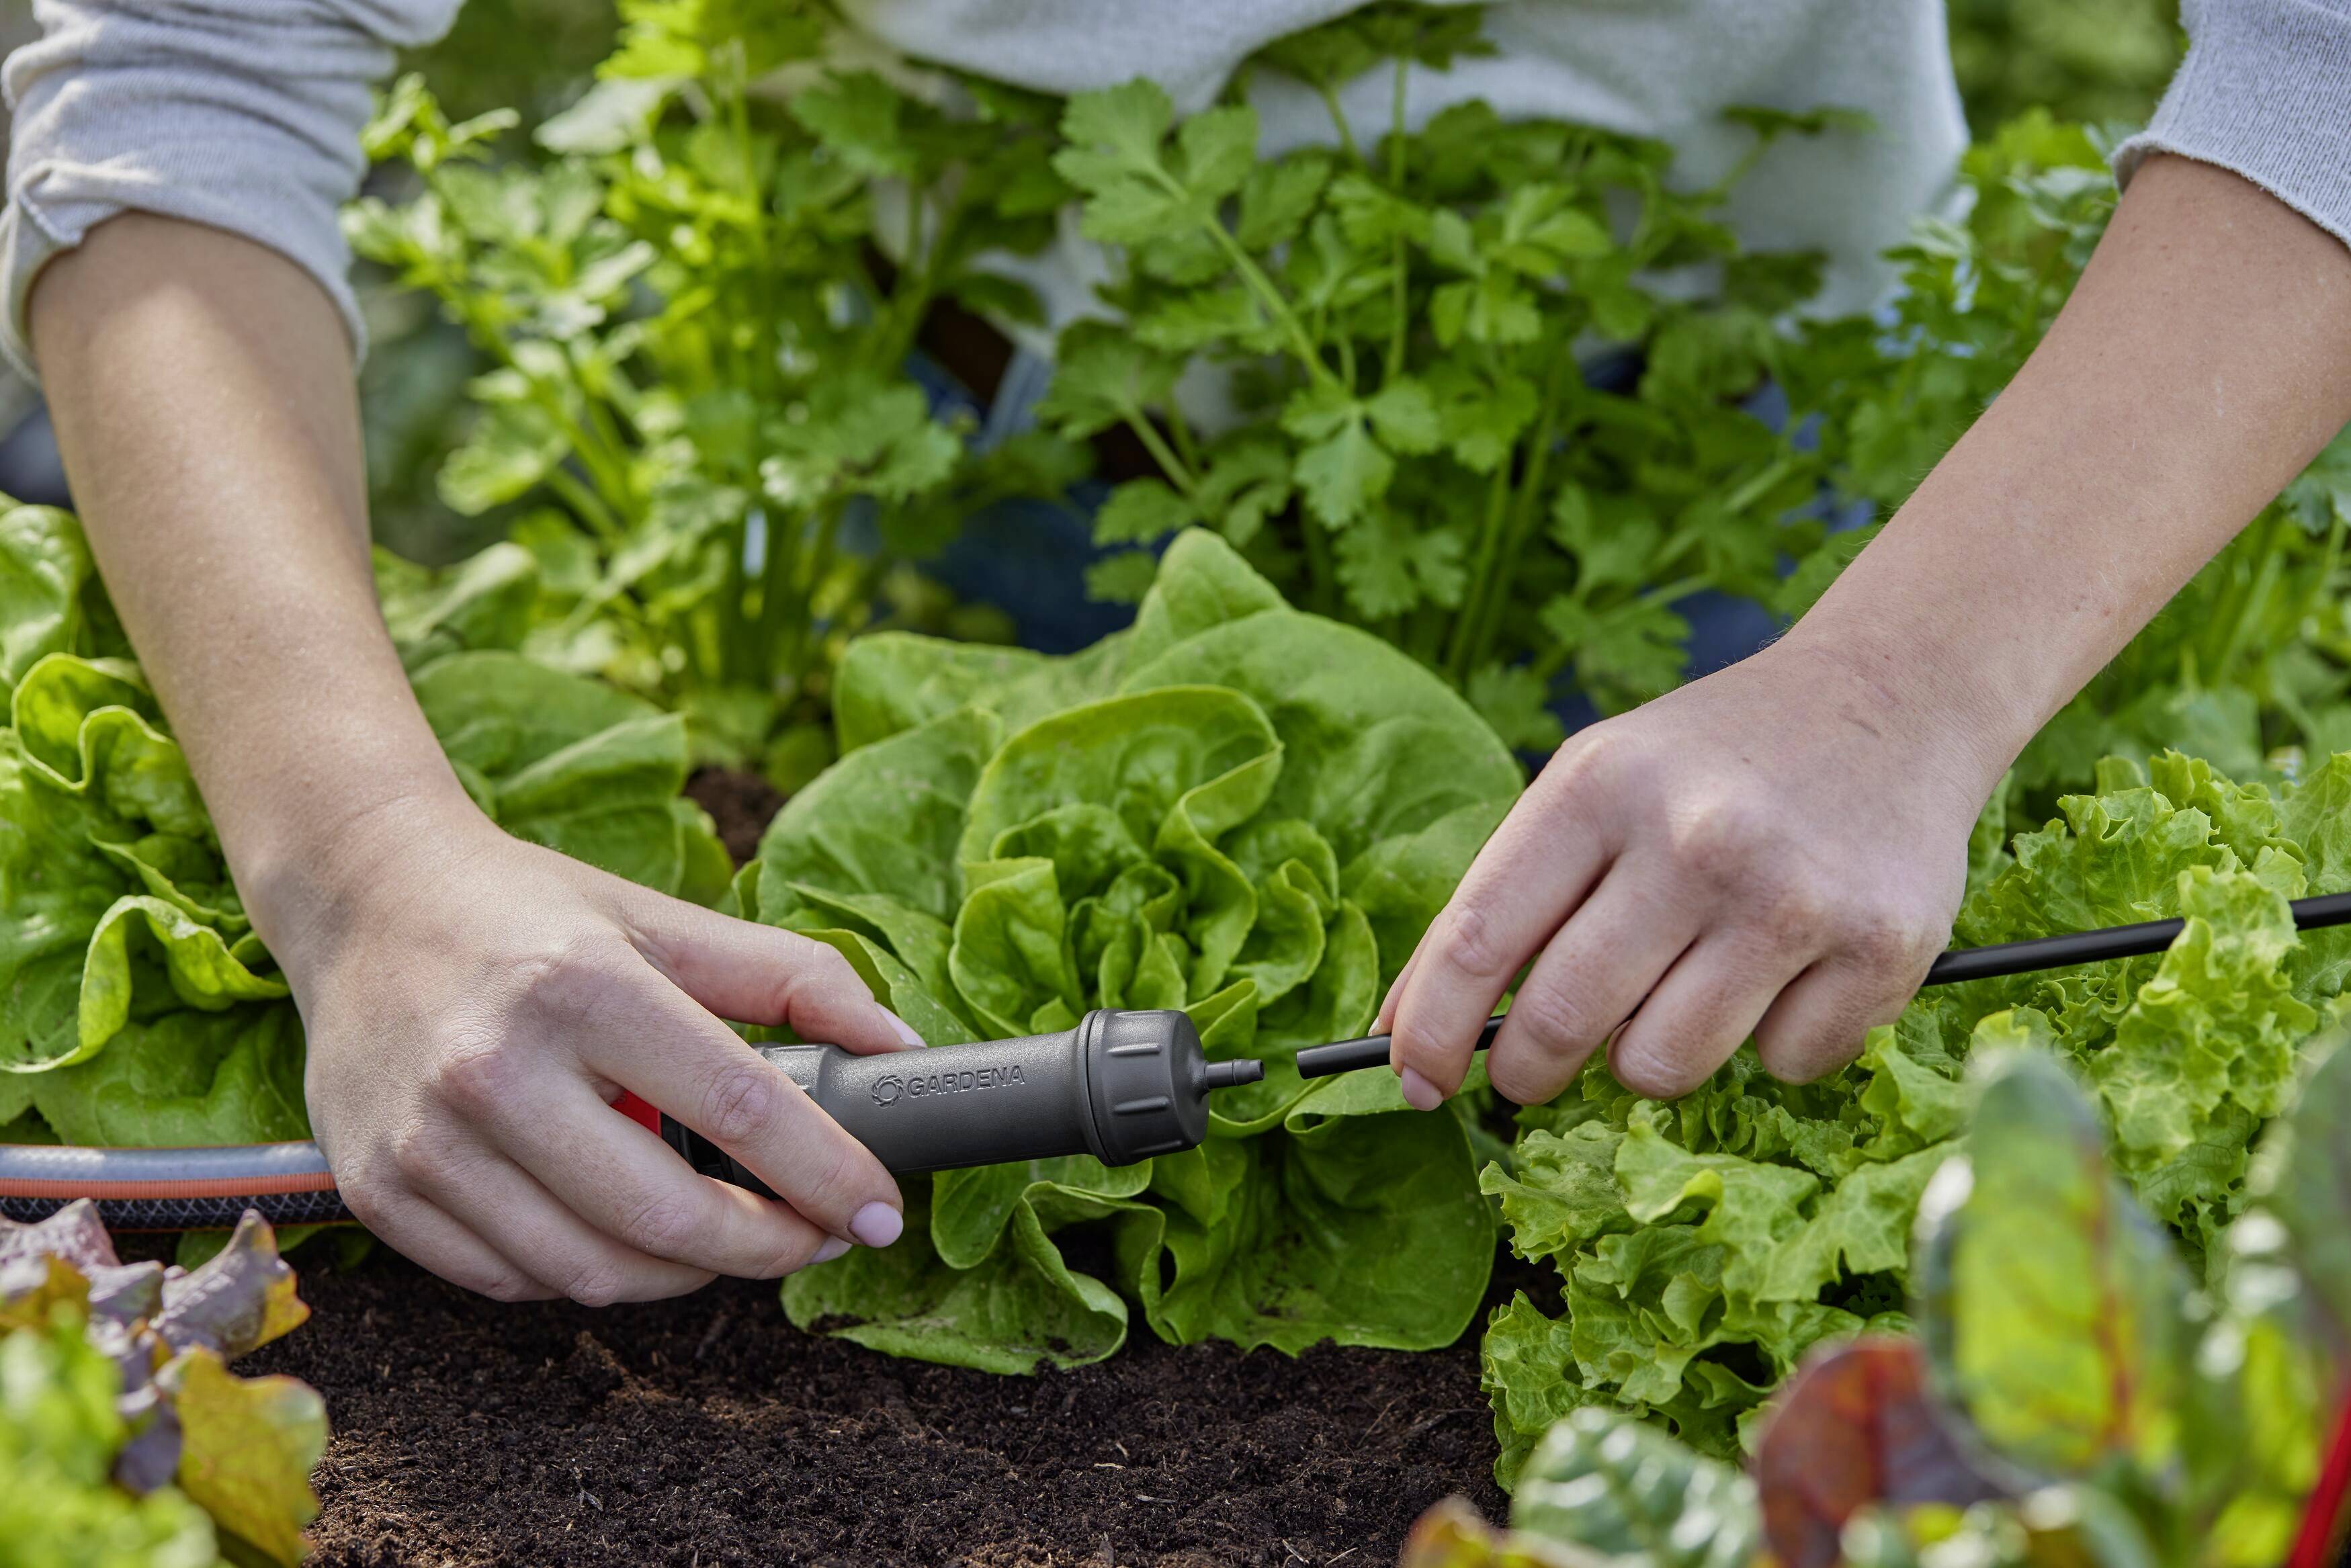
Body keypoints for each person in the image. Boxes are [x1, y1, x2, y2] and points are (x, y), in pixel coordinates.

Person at [5, 1, 2349, 1308]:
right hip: (960, 401)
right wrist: (362, 860)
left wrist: (1898, 691)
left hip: (1792, 469)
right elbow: (198, 59)